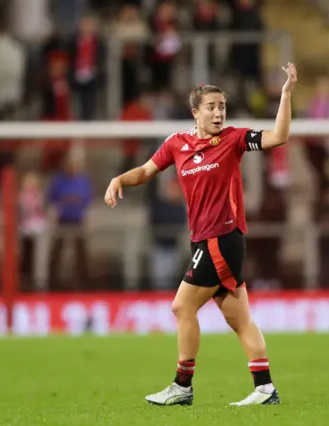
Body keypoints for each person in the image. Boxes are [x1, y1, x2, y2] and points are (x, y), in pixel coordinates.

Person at [104, 63, 298, 406]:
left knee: (182, 307)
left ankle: (182, 385)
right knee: (239, 319)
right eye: (211, 107)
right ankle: (265, 388)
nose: (218, 112)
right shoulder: (176, 144)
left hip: (222, 238)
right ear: (195, 113)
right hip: (206, 240)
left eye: (222, 106)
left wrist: (285, 95)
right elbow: (147, 171)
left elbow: (278, 137)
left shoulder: (234, 140)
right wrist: (119, 179)